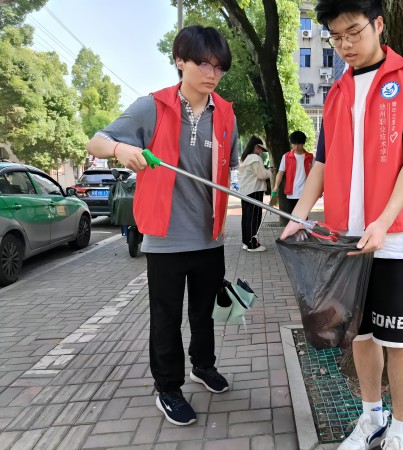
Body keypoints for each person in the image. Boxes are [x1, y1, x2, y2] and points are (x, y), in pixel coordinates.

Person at [280, 1, 403, 449]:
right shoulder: (336, 93)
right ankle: (372, 418)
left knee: (401, 339)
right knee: (361, 335)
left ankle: (402, 431)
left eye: (354, 32)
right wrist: (299, 215)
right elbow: (323, 164)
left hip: (399, 236)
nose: (346, 45)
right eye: (336, 37)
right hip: (345, 238)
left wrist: (385, 222)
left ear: (379, 24)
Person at [86, 25, 238, 427]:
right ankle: (167, 388)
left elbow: (229, 170)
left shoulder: (225, 113)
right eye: (203, 63)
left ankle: (202, 366)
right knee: (167, 316)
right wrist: (122, 149)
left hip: (211, 236)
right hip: (166, 238)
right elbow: (96, 142)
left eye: (219, 67)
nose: (212, 73)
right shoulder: (151, 107)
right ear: (180, 63)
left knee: (205, 312)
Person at [238, 136, 270, 252]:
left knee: (246, 217)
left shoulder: (244, 158)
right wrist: (269, 172)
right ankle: (253, 244)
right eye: (260, 149)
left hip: (245, 191)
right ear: (256, 147)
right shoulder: (255, 158)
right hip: (255, 190)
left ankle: (246, 242)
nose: (261, 152)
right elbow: (262, 175)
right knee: (255, 217)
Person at [271, 130, 313, 212]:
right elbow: (280, 172)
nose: (296, 147)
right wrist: (276, 187)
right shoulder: (286, 157)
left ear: (303, 144)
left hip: (305, 192)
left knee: (303, 217)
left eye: (298, 144)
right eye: (294, 144)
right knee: (292, 216)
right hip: (291, 192)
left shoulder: (310, 157)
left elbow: (315, 176)